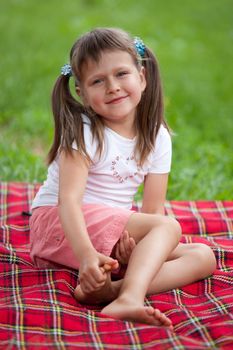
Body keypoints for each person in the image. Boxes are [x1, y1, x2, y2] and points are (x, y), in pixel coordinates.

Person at [29, 27, 216, 328]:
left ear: (142, 76)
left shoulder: (158, 137)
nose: (112, 87)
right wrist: (88, 255)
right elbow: (69, 201)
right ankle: (130, 297)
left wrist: (136, 245)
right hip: (62, 225)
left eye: (121, 74)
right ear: (82, 93)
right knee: (168, 227)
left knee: (203, 255)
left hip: (110, 229)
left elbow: (153, 211)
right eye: (98, 81)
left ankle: (108, 292)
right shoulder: (85, 132)